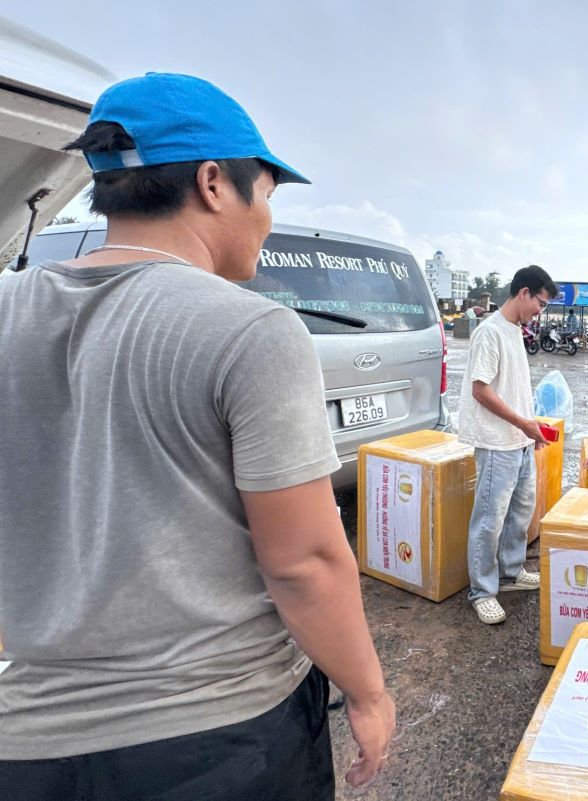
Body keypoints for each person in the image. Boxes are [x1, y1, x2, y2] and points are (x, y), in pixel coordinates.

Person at [0, 73, 393, 800]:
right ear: (215, 182)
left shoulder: (7, 305)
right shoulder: (250, 328)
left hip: (26, 740)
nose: (268, 217)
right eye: (269, 193)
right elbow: (303, 561)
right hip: (218, 736)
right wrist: (367, 693)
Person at [457, 265, 558, 625]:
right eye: (541, 303)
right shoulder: (490, 333)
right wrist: (522, 424)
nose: (540, 311)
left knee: (519, 511)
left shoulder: (516, 331)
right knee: (489, 519)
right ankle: (482, 591)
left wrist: (532, 427)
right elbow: (480, 390)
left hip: (518, 440)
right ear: (524, 292)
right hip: (496, 441)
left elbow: (511, 388)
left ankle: (511, 572)